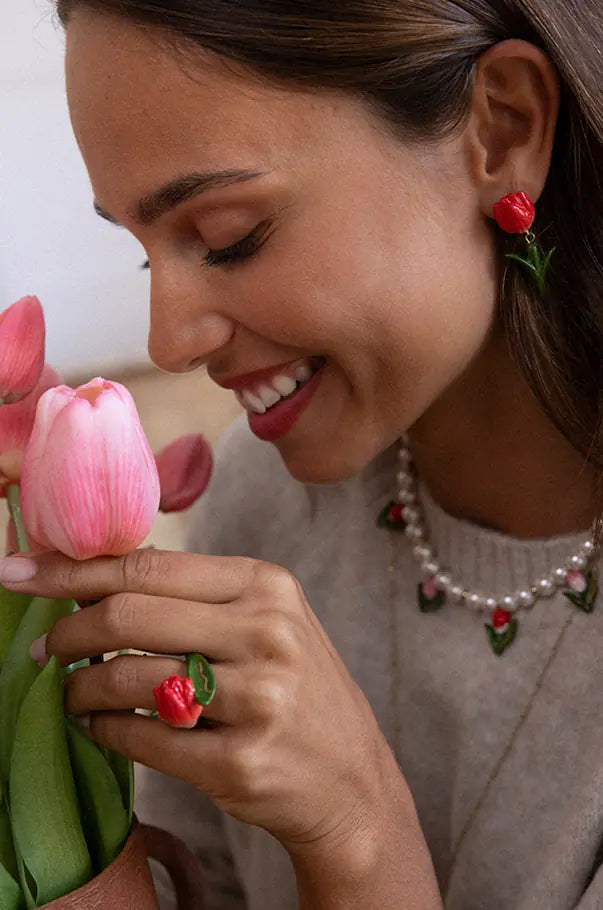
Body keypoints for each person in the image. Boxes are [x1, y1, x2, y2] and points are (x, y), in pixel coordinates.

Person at [2, 0, 601, 906]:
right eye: (142, 255)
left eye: (225, 235)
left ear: (503, 129)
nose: (169, 342)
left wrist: (357, 834)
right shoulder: (264, 507)